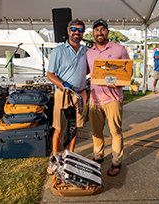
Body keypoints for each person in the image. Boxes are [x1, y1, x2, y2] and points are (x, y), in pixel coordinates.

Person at [86, 19, 130, 177]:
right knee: (96, 132)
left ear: (107, 32)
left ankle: (116, 161)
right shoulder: (89, 52)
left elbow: (127, 73)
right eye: (96, 30)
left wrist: (117, 82)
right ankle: (98, 156)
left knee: (115, 132)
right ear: (93, 33)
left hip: (113, 99)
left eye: (102, 29)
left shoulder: (119, 49)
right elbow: (85, 72)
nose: (99, 32)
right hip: (94, 100)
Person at [46, 19, 87, 173]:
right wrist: (64, 85)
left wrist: (84, 89)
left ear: (83, 33)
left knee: (74, 127)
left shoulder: (85, 51)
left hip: (80, 95)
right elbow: (50, 74)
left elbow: (88, 70)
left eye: (80, 30)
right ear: (69, 31)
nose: (77, 33)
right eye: (74, 29)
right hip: (63, 94)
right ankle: (55, 159)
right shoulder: (58, 51)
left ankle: (70, 157)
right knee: (59, 127)